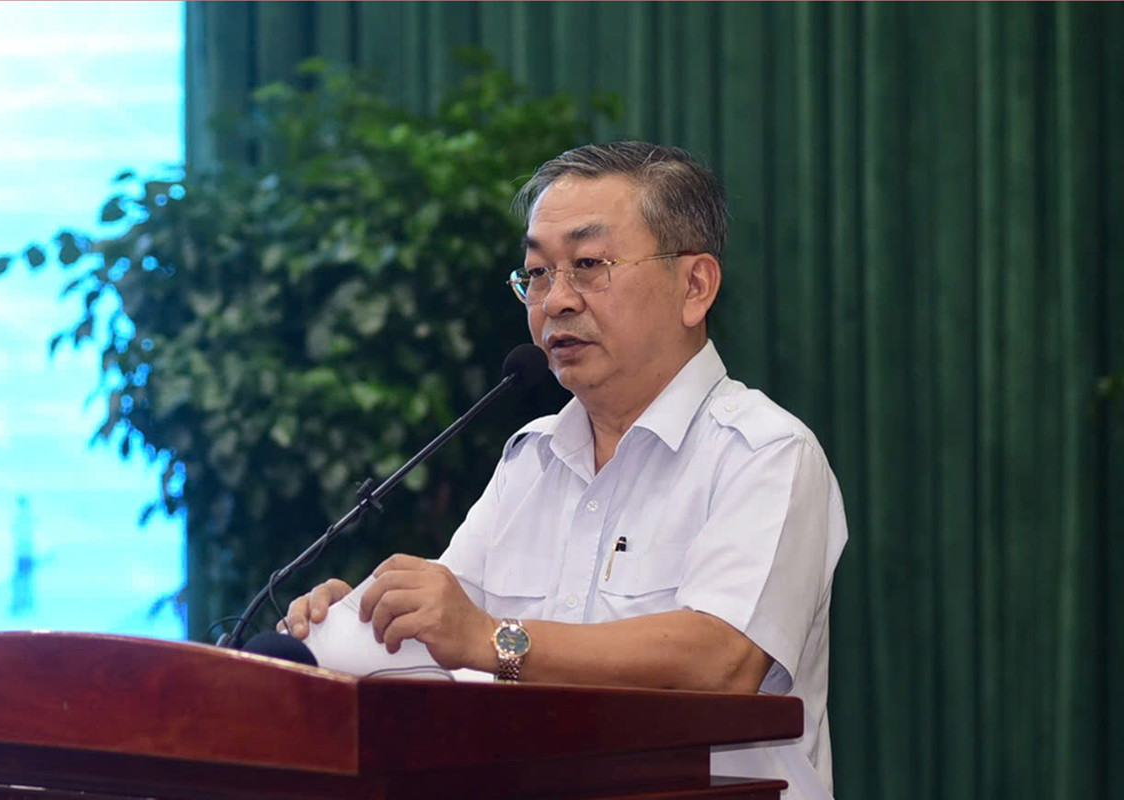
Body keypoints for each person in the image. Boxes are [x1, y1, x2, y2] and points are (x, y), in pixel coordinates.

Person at [280, 142, 848, 799]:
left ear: (694, 287)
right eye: (537, 273)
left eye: (588, 265)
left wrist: (493, 639)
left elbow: (721, 661)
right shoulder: (530, 460)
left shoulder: (765, 453)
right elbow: (443, 636)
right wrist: (355, 627)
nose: (555, 301)